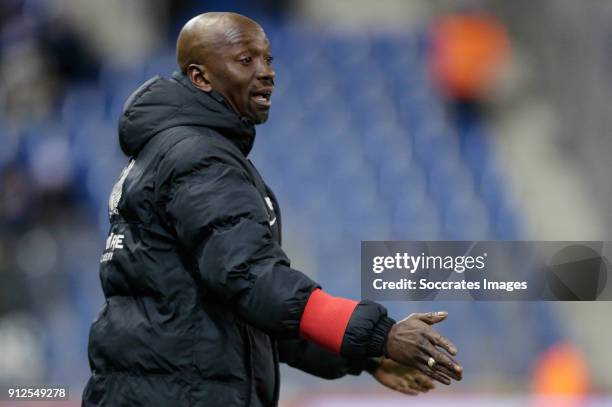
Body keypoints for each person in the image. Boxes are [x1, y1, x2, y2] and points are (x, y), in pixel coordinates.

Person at [82, 12, 463, 407]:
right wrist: (380, 334)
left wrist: (366, 354)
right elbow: (251, 278)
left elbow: (253, 310)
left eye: (268, 60)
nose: (267, 73)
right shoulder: (197, 156)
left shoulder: (182, 151)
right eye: (246, 60)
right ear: (201, 78)